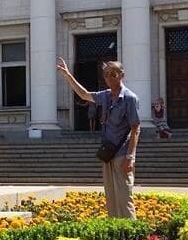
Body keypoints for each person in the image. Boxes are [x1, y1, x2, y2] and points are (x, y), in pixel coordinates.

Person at [56, 58, 141, 219]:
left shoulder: (130, 98)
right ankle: (116, 232)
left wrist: (130, 157)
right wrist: (68, 75)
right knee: (111, 198)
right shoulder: (106, 96)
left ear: (121, 75)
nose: (108, 78)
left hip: (122, 154)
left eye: (112, 74)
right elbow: (84, 94)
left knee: (124, 197)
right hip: (107, 154)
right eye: (106, 74)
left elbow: (136, 129)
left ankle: (131, 235)